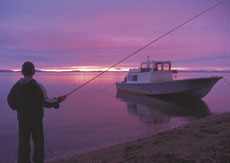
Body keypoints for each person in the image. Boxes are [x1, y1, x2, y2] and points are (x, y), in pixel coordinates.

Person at [7, 61, 67, 163]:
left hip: (22, 119)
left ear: (22, 72)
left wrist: (18, 108)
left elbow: (10, 101)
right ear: (33, 71)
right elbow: (46, 102)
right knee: (38, 142)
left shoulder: (16, 86)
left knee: (23, 142)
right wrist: (58, 100)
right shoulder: (38, 86)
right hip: (36, 120)